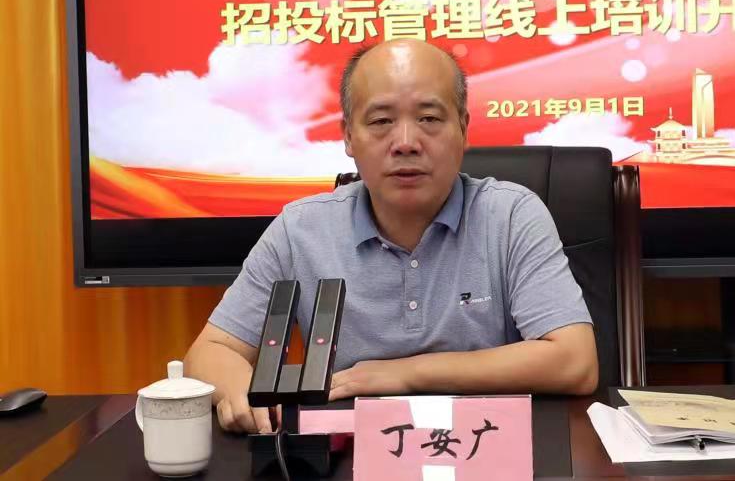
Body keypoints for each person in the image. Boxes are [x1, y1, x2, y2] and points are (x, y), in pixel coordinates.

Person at [184, 39, 598, 434]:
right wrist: (244, 392)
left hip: (487, 446)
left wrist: (404, 374)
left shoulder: (511, 215)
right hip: (349, 454)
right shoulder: (301, 230)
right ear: (348, 136)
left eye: (429, 119)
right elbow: (210, 352)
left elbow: (575, 361)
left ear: (464, 128)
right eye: (381, 121)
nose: (406, 143)